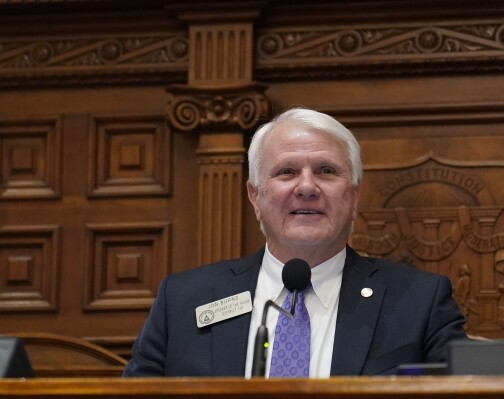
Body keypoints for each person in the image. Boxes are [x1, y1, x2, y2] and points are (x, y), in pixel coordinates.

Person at [123, 107, 467, 378]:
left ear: (355, 195)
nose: (306, 187)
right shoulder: (184, 301)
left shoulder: (420, 302)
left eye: (326, 171)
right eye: (286, 171)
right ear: (255, 195)